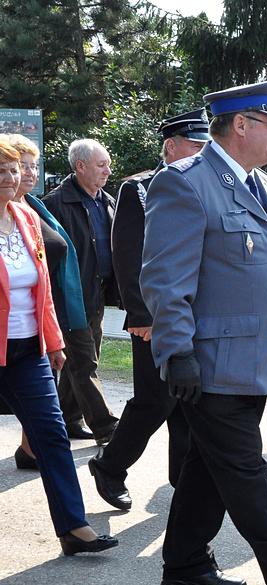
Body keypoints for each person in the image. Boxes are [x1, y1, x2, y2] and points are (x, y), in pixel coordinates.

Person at [140, 78, 267, 585]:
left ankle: (183, 563)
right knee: (247, 470)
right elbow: (165, 279)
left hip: (258, 360)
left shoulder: (265, 187)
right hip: (209, 363)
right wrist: (177, 351)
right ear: (241, 125)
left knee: (210, 467)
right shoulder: (184, 183)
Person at [86, 109, 209, 511]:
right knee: (156, 399)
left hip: (193, 313)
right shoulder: (139, 188)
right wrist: (140, 315)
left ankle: (182, 479)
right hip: (155, 317)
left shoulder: (202, 185)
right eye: (195, 145)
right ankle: (110, 465)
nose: (202, 152)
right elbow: (127, 254)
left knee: (188, 401)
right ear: (171, 146)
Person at [0, 140, 117, 555]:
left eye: (15, 169)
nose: (12, 177)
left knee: (51, 436)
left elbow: (43, 289)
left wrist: (52, 340)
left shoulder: (27, 218)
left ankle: (73, 527)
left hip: (28, 350)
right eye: (3, 169)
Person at [0, 133, 88, 472]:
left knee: (45, 414)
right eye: (20, 166)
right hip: (19, 320)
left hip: (44, 314)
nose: (26, 173)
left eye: (29, 167)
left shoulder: (31, 210)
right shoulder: (34, 206)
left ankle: (31, 449)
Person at [42, 138, 119, 445]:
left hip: (97, 292)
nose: (108, 171)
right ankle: (105, 426)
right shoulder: (54, 204)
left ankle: (68, 418)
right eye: (102, 165)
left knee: (85, 357)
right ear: (81, 166)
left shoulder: (106, 200)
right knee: (84, 361)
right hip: (69, 296)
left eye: (108, 164)